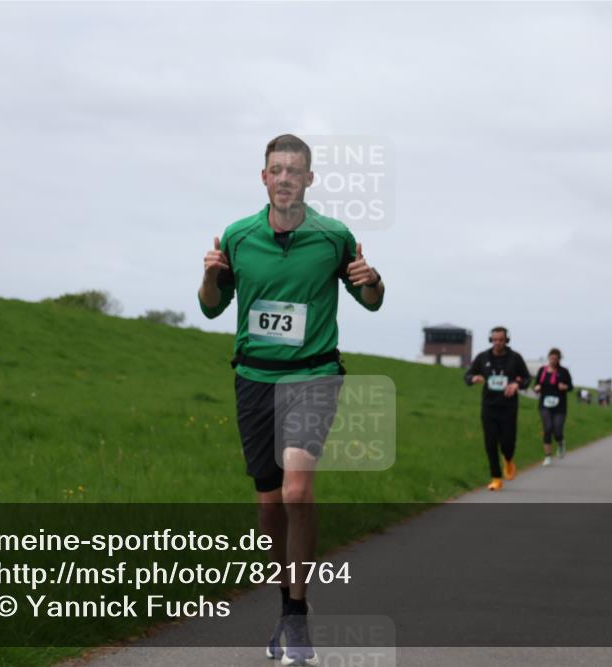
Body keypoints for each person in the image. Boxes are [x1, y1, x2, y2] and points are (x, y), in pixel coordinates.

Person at [198, 134, 385, 665]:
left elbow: (370, 302)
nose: (284, 178)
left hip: (314, 374)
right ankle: (284, 608)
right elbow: (212, 309)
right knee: (269, 504)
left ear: (309, 179)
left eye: (294, 170)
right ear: (264, 178)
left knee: (297, 492)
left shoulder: (334, 236)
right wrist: (210, 276)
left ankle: (299, 619)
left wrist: (371, 281)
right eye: (275, 169)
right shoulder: (237, 236)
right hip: (255, 377)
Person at [465, 327, 532, 490]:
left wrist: (516, 384)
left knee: (508, 442)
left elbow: (527, 378)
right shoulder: (483, 357)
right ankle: (495, 477)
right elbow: (467, 376)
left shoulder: (515, 358)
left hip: (508, 407)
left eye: (501, 340)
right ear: (490, 340)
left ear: (506, 340)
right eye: (494, 339)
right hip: (489, 407)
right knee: (490, 443)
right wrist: (474, 378)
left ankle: (508, 460)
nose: (497, 343)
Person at [531, 348, 574, 466]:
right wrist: (536, 388)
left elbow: (571, 387)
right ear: (548, 358)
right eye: (551, 358)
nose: (553, 361)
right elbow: (536, 385)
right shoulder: (542, 370)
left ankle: (560, 444)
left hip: (560, 405)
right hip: (544, 404)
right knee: (548, 428)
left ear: (559, 359)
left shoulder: (564, 372)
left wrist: (564, 387)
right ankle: (548, 457)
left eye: (556, 359)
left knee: (557, 430)